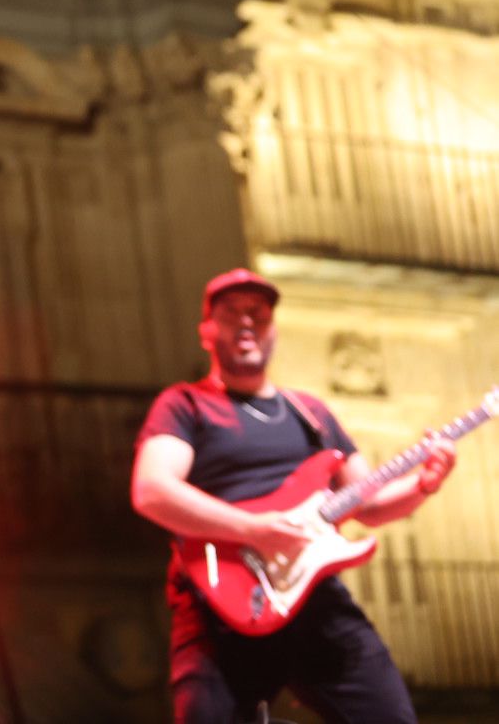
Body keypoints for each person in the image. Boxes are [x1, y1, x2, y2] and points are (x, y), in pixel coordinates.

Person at [131, 268, 458, 723]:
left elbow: (368, 504)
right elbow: (152, 490)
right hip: (220, 599)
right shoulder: (185, 405)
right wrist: (252, 530)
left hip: (314, 600)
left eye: (258, 314)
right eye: (231, 314)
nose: (247, 322)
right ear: (207, 330)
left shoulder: (312, 415)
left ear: (274, 332)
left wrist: (425, 483)